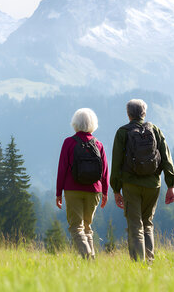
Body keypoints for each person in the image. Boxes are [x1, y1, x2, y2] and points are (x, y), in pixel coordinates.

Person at [110, 99, 174, 262]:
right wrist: (171, 185)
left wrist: (116, 190)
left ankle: (138, 264)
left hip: (131, 185)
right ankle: (150, 262)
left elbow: (116, 162)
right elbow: (167, 158)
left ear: (128, 114)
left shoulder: (122, 132)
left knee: (135, 225)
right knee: (147, 223)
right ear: (144, 113)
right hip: (153, 185)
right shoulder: (155, 130)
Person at [56, 108, 109, 259]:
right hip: (94, 190)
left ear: (75, 123)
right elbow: (104, 171)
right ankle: (90, 260)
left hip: (72, 189)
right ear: (93, 124)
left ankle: (88, 257)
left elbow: (62, 169)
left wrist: (58, 193)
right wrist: (105, 192)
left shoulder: (69, 143)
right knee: (87, 227)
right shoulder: (98, 144)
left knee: (76, 227)